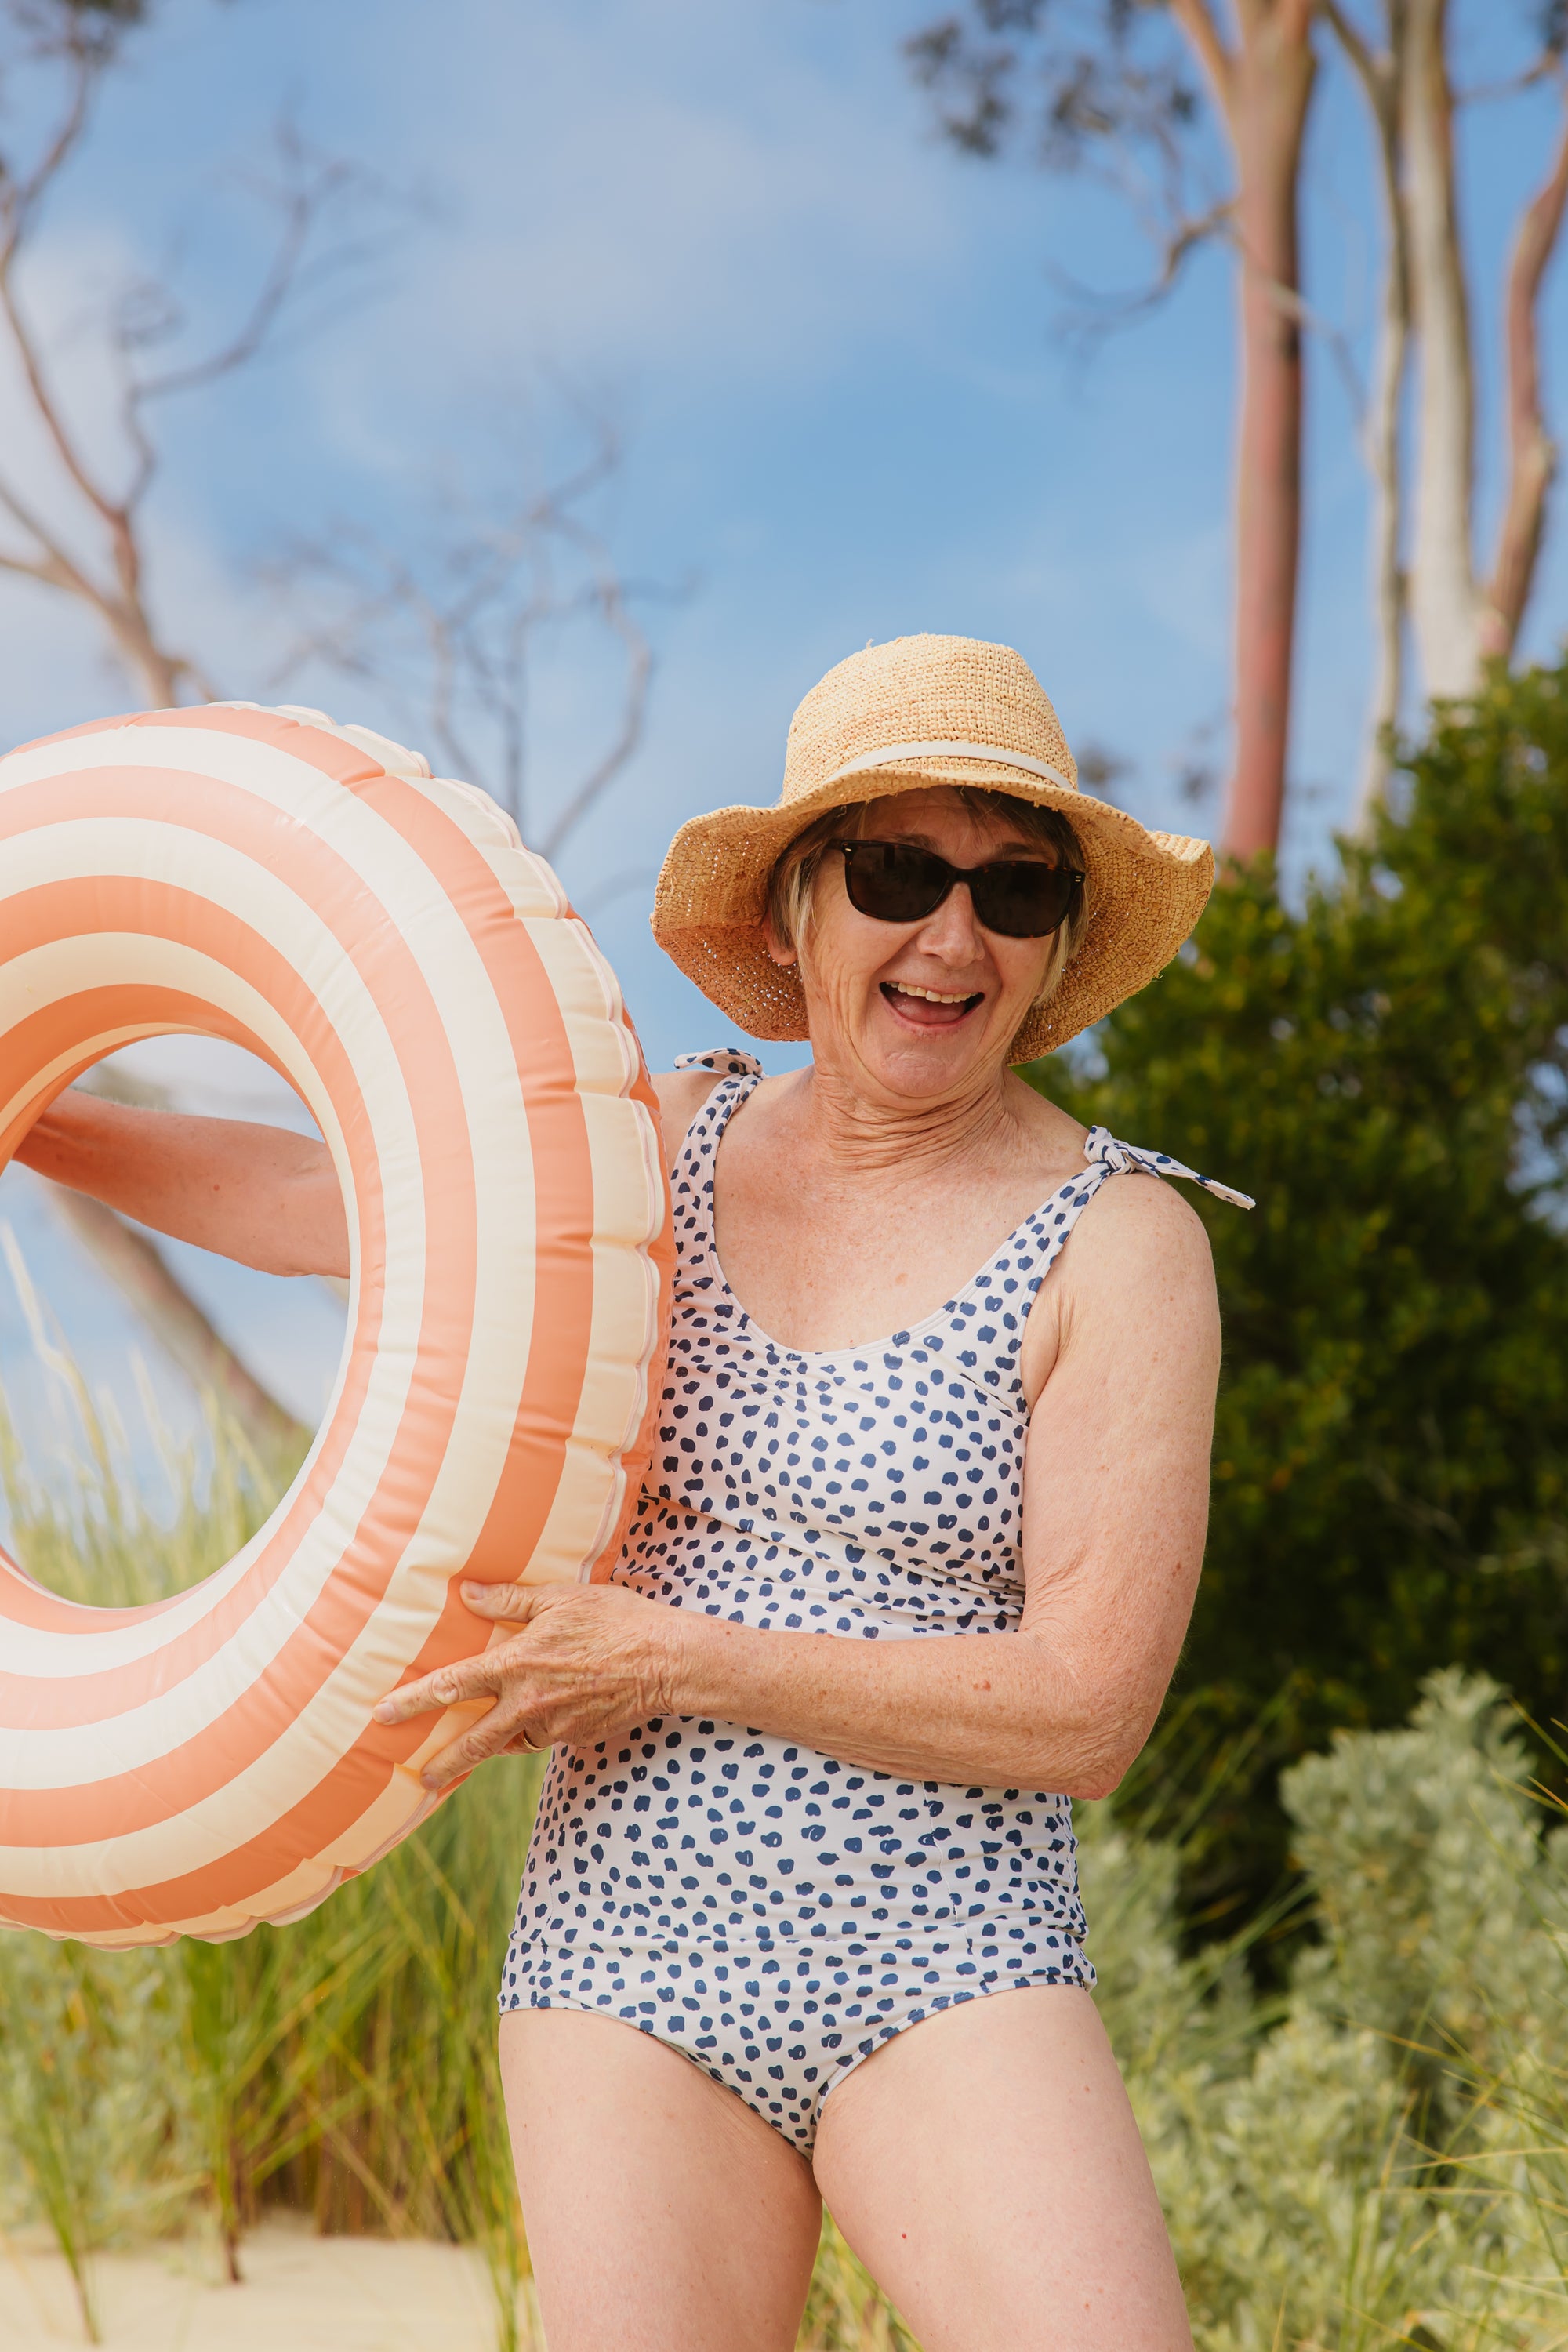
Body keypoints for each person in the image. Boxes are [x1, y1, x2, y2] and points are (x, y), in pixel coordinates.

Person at [20, 634, 1250, 2352]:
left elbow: (1084, 1708)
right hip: (623, 1955)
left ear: (1053, 945)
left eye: (1016, 888)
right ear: (792, 913)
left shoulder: (1124, 1245)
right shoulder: (661, 1140)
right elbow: (314, 1209)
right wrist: (37, 1116)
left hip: (947, 1955)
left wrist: (673, 1658)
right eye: (897, 873)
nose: (954, 935)